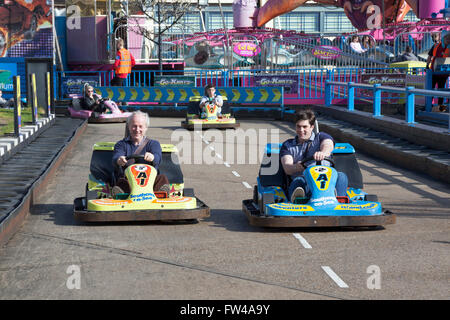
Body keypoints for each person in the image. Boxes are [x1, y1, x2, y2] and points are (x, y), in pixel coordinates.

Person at [280, 109, 348, 203]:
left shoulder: (321, 137)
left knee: (341, 176)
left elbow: (328, 144)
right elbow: (287, 167)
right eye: (298, 126)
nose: (301, 130)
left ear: (312, 127)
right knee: (298, 181)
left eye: (304, 127)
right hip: (304, 182)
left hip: (326, 180)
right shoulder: (288, 145)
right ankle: (298, 201)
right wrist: (297, 167)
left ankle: (337, 200)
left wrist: (323, 153)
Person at [111, 111, 170, 196]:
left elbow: (158, 157)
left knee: (162, 178)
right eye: (134, 126)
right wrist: (119, 159)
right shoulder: (121, 144)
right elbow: (116, 157)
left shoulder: (153, 144)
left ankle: (161, 193)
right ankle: (121, 194)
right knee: (122, 181)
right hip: (130, 182)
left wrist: (153, 157)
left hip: (151, 182)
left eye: (140, 126)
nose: (137, 130)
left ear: (146, 127)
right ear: (129, 127)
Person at [427, 33, 450, 111]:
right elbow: (430, 56)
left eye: (449, 39)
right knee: (431, 89)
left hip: (444, 73)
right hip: (434, 71)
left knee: (442, 90)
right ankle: (429, 106)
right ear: (443, 39)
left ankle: (440, 108)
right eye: (447, 39)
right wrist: (427, 65)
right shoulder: (436, 46)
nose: (448, 40)